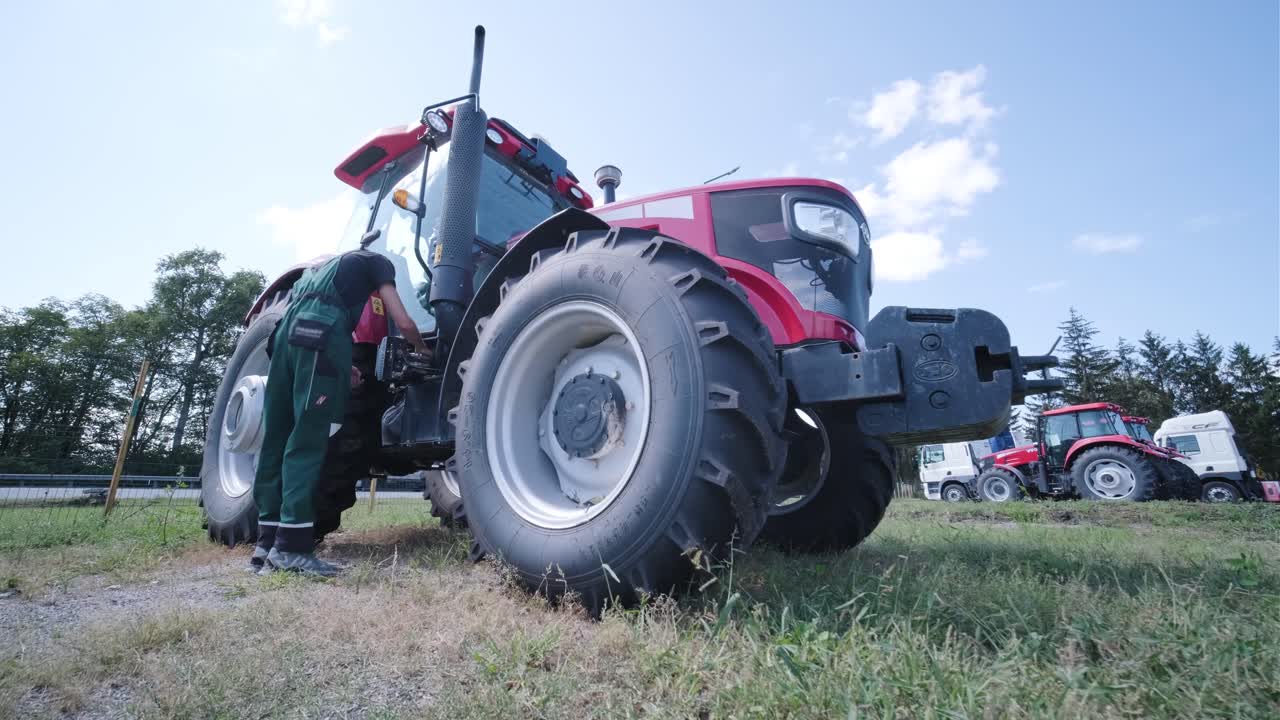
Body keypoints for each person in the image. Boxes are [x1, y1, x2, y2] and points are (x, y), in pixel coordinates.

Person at [248, 249, 427, 575]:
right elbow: (403, 321)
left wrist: (347, 368)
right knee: (308, 439)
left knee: (276, 439)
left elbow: (303, 321)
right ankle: (292, 549)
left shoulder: (316, 273)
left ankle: (265, 547)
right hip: (323, 334)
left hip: (287, 337)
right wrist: (422, 348)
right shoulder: (379, 263)